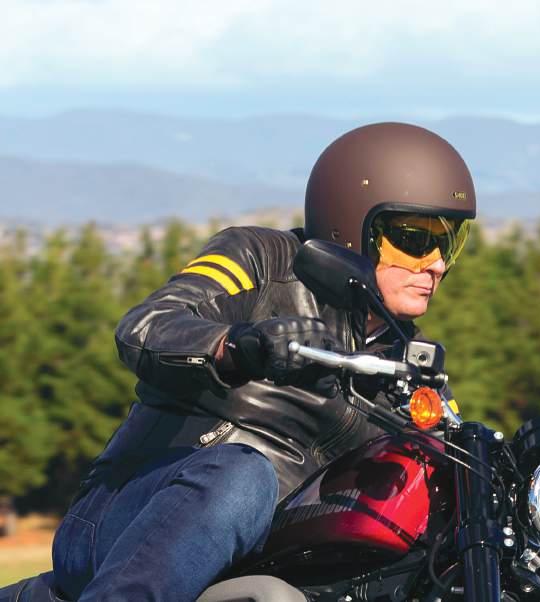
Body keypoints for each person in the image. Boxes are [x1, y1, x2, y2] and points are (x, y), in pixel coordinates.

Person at [51, 122, 476, 601]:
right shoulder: (260, 262)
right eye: (415, 241)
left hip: (280, 554)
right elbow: (145, 327)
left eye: (448, 243)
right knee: (245, 475)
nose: (436, 264)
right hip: (126, 522)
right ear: (353, 227)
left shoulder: (412, 363)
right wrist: (236, 346)